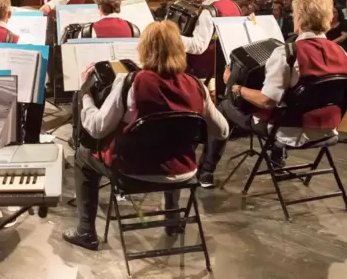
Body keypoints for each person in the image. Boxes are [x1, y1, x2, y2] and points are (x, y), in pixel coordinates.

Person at [61, 21, 229, 250]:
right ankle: (172, 220)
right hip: (184, 172)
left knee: (82, 156)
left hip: (133, 173)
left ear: (143, 49)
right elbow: (223, 131)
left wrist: (86, 94)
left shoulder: (130, 82)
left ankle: (85, 232)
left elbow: (97, 128)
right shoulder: (196, 85)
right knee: (172, 144)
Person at [198, 0, 347, 188]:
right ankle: (276, 162)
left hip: (288, 131)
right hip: (329, 130)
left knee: (223, 106)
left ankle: (206, 171)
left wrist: (236, 87)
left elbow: (267, 101)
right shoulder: (343, 55)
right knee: (285, 100)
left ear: (298, 18)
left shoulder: (287, 55)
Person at [183, 0, 241, 87]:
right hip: (226, 70)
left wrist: (172, 37)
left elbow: (198, 46)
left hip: (205, 74)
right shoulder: (234, 6)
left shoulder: (208, 12)